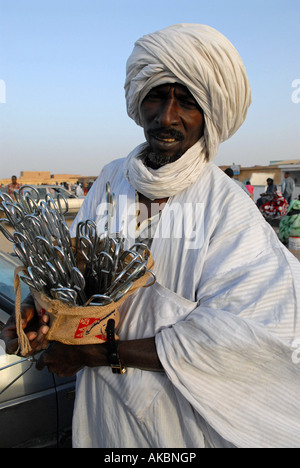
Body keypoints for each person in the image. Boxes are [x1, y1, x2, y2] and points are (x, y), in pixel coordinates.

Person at [2, 23, 300, 449]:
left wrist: (90, 354)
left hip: (180, 426)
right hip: (104, 416)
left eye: (188, 101)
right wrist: (37, 314)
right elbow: (71, 275)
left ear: (210, 115)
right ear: (139, 99)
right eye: (157, 96)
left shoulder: (227, 209)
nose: (167, 117)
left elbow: (242, 338)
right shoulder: (109, 181)